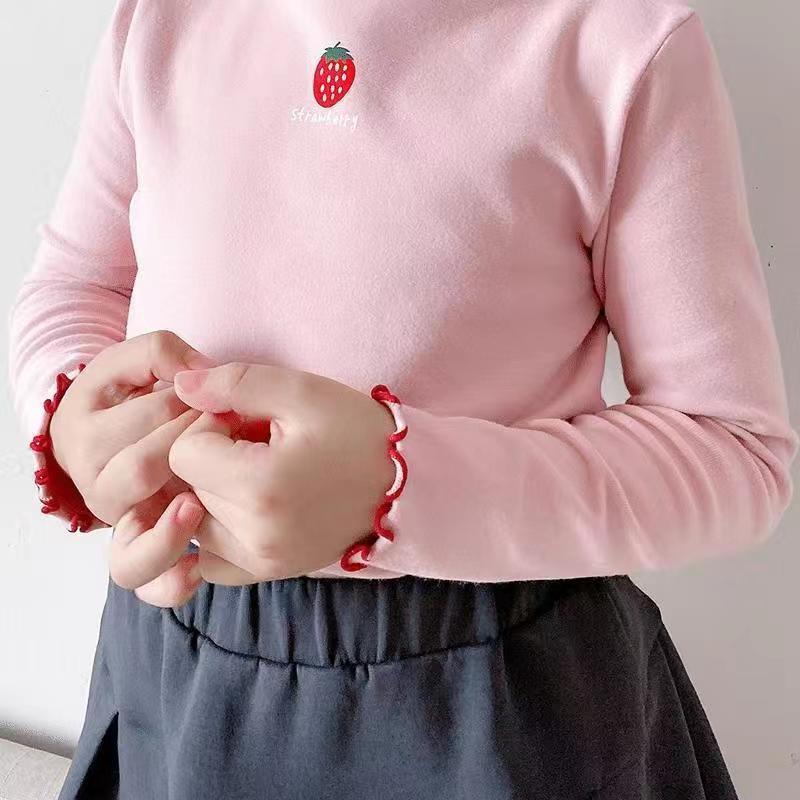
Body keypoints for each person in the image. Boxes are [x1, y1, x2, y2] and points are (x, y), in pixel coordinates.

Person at [8, 0, 796, 797]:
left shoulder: (621, 43)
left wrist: (396, 486)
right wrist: (73, 420)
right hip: (173, 667)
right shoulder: (161, 18)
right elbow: (77, 285)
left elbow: (732, 447)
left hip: (495, 698)